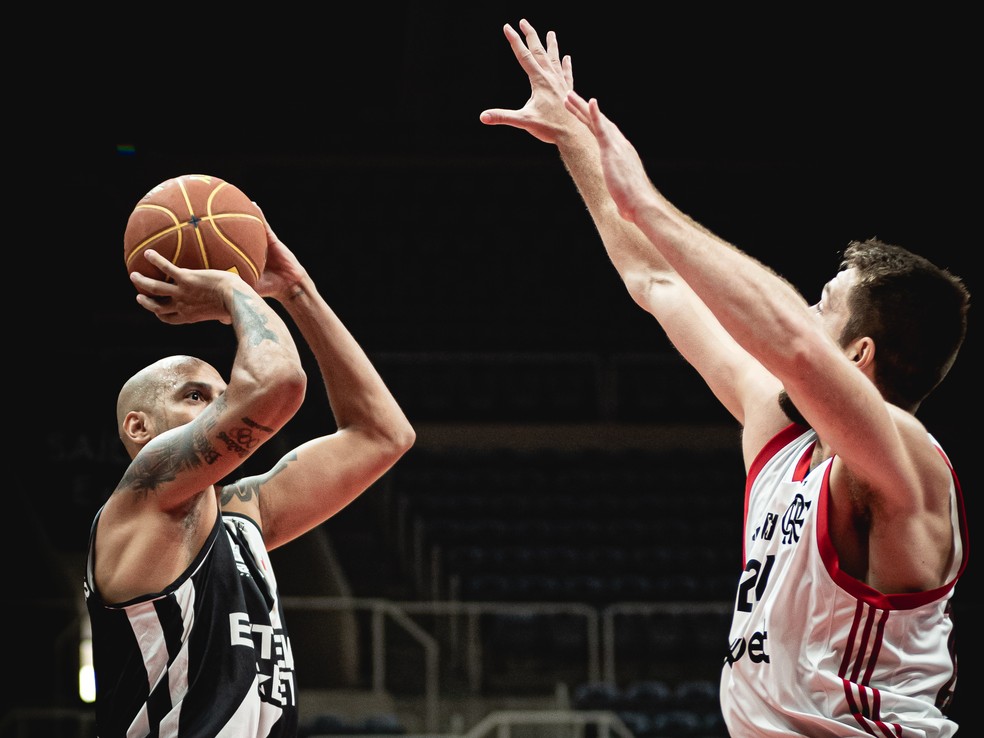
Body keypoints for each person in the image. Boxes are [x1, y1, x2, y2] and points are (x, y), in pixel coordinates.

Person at [481, 19, 970, 736]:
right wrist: (575, 138)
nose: (805, 313)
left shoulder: (907, 459)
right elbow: (656, 280)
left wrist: (647, 200)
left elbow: (796, 346)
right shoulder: (779, 431)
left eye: (823, 304)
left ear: (858, 355)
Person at [83, 211, 416, 737]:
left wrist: (298, 291)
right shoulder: (144, 498)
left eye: (225, 393)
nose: (223, 406)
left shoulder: (243, 515)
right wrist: (230, 287)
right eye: (196, 395)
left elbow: (384, 435)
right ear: (138, 426)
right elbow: (277, 381)